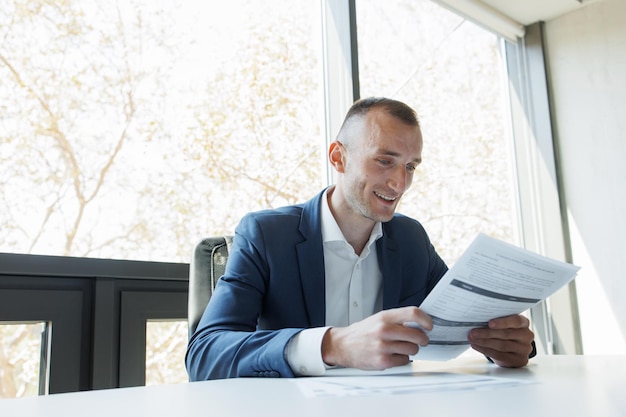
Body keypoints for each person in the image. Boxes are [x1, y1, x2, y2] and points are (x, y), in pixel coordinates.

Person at [185, 97, 535, 380]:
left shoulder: (410, 239)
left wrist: (507, 344)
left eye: (411, 166)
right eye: (385, 161)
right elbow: (205, 355)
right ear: (339, 157)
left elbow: (465, 318)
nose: (400, 183)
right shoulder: (265, 234)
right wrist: (332, 345)